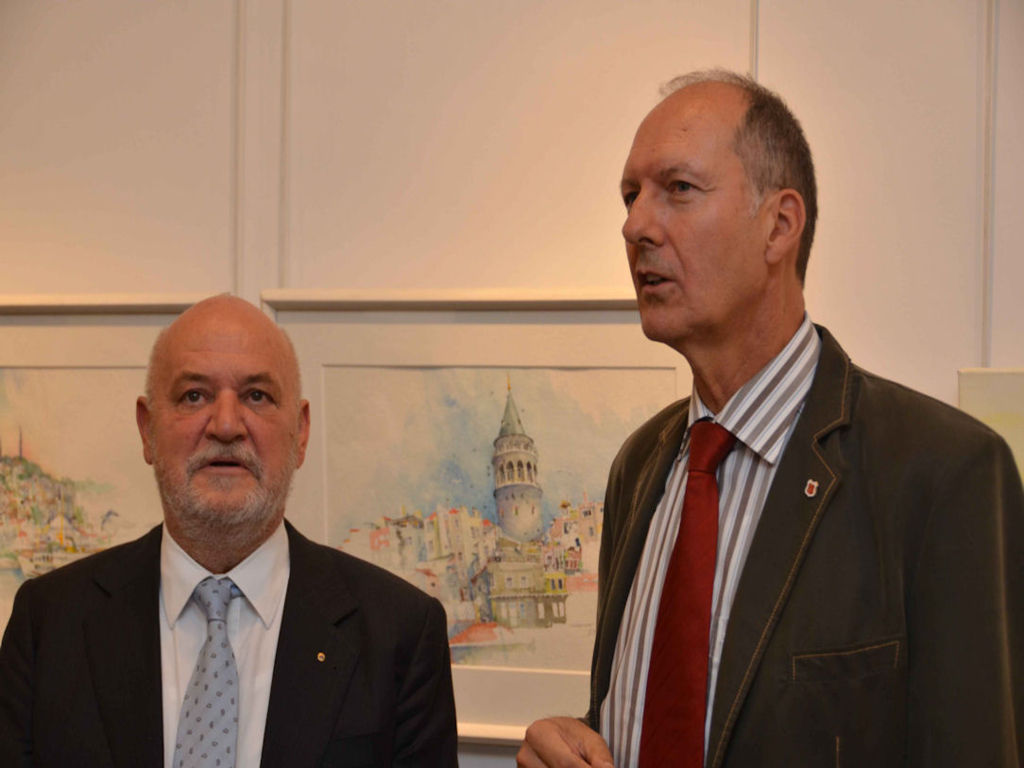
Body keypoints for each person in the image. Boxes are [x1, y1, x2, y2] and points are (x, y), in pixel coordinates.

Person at [518, 70, 1023, 767]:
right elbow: (685, 718)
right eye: (631, 196)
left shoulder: (943, 473)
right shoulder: (640, 466)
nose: (634, 225)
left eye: (678, 189)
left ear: (780, 225)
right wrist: (577, 741)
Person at [0, 295, 458, 767]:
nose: (224, 425)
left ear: (300, 433)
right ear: (147, 429)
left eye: (256, 396)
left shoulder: (400, 632)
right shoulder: (48, 623)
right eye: (193, 396)